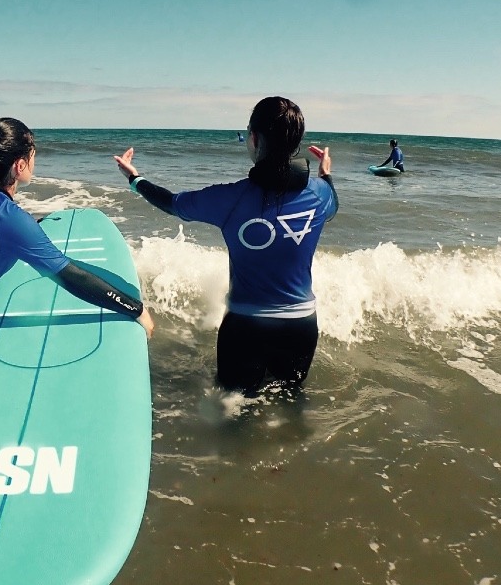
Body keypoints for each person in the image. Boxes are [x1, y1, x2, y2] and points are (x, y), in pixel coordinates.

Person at [0, 118, 154, 394]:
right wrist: (135, 309)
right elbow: (70, 277)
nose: (35, 160)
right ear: (19, 166)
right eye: (32, 154)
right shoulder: (9, 218)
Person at [114, 96, 338, 395]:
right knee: (290, 402)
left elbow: (170, 203)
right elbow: (333, 206)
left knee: (233, 410)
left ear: (255, 138)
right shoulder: (321, 195)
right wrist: (326, 174)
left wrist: (134, 178)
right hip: (301, 326)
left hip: (246, 327)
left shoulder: (229, 199)